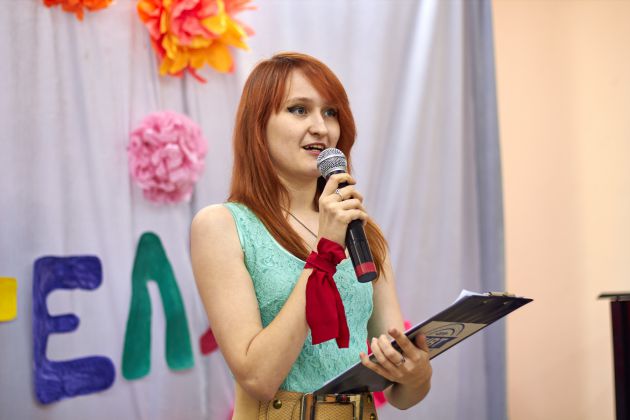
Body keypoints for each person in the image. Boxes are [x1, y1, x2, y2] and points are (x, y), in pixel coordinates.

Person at [190, 52, 432, 419]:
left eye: (330, 112)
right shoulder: (221, 225)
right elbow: (258, 378)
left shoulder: (360, 230)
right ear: (258, 124)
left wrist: (416, 374)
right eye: (299, 110)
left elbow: (400, 392)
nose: (321, 127)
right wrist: (326, 252)